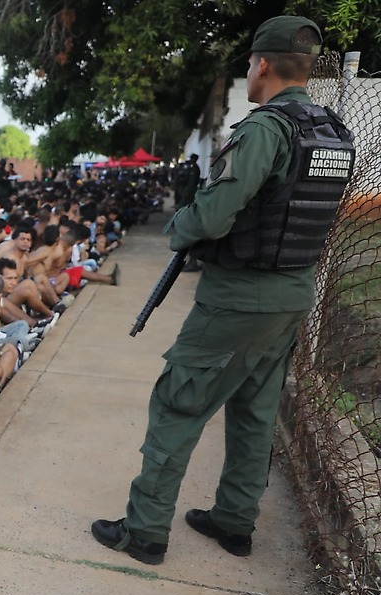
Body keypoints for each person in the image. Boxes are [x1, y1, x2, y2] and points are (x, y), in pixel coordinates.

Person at [92, 16, 354, 565]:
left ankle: (144, 531)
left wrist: (179, 226)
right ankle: (235, 523)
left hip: (239, 297)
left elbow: (210, 218)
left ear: (261, 63)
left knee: (177, 405)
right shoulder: (331, 130)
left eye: (251, 64)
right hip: (292, 295)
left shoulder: (265, 128)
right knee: (256, 411)